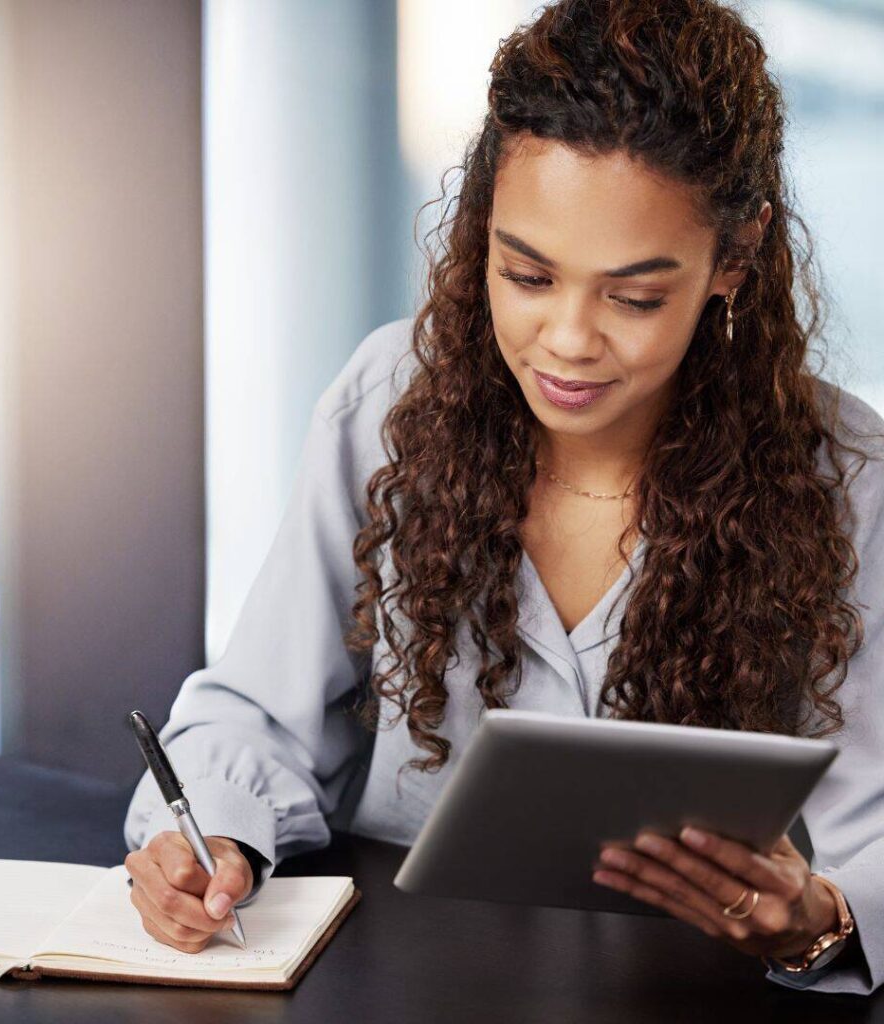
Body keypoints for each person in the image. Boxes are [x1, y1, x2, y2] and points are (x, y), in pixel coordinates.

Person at [124, 0, 884, 995]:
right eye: (527, 273)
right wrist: (211, 835)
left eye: (634, 297)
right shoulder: (388, 399)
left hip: (691, 997)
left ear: (732, 261)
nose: (567, 339)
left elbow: (871, 832)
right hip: (393, 983)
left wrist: (817, 919)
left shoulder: (845, 476)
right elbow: (258, 714)